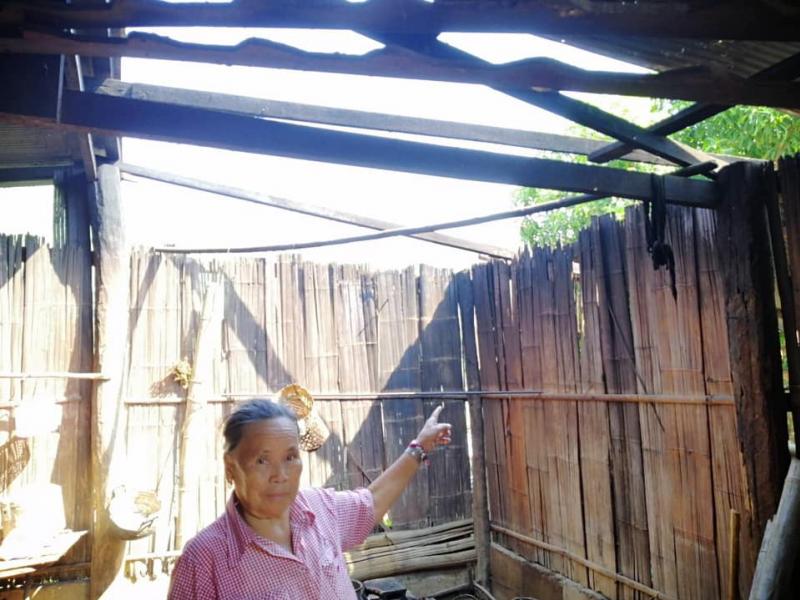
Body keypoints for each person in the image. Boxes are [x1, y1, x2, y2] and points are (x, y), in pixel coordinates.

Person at [168, 396, 452, 599]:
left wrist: (419, 447)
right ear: (231, 468)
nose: (280, 475)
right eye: (262, 461)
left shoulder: (320, 509)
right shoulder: (203, 561)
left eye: (290, 457)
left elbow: (373, 501)